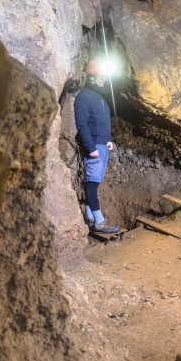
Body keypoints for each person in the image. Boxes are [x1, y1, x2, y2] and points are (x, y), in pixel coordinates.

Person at [74, 58, 120, 234]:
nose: (104, 80)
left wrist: (107, 138)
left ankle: (90, 217)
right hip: (93, 147)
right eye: (101, 77)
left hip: (101, 145)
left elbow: (101, 122)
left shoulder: (99, 97)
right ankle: (99, 222)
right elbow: (82, 125)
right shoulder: (83, 97)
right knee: (91, 185)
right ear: (92, 78)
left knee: (95, 182)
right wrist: (90, 147)